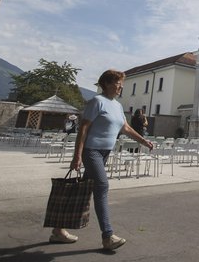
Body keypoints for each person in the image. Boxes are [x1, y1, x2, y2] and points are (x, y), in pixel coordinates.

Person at [49, 69, 153, 250]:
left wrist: (144, 141)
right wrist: (77, 155)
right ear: (105, 84)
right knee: (102, 186)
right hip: (92, 151)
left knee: (84, 191)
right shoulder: (97, 101)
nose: (120, 86)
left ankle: (58, 231)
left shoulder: (118, 106)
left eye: (121, 83)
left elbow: (126, 128)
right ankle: (107, 236)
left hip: (104, 153)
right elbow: (83, 129)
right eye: (116, 83)